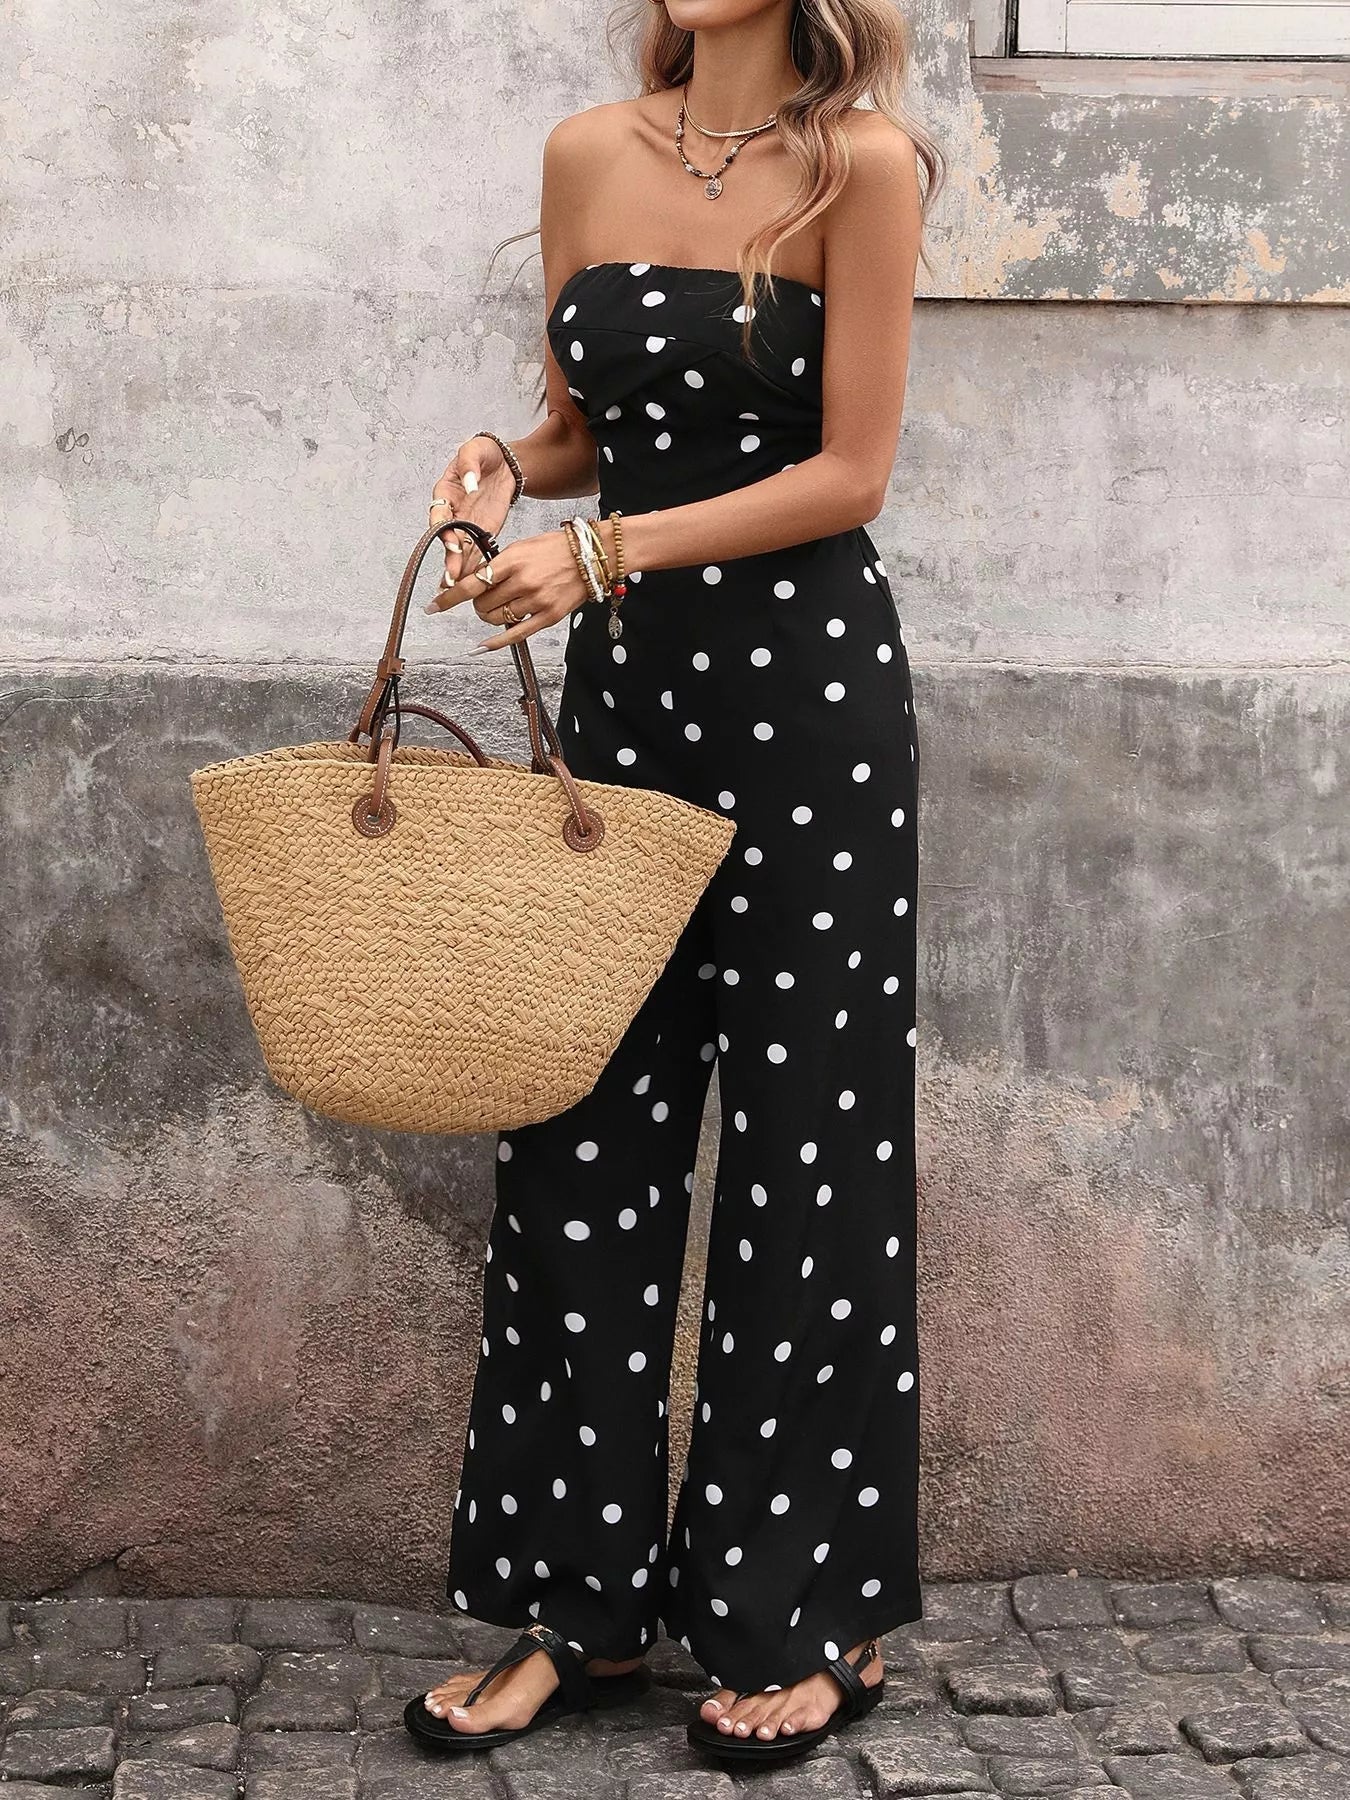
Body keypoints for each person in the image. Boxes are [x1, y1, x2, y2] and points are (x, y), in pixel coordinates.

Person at [401, 0, 944, 1768]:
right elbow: (582, 430)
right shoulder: (585, 154)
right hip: (624, 711)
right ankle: (579, 1607)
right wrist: (501, 469)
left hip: (807, 715)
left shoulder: (860, 169)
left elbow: (848, 471)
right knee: (581, 1138)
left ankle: (812, 1612)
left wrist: (604, 551)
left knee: (808, 1146)